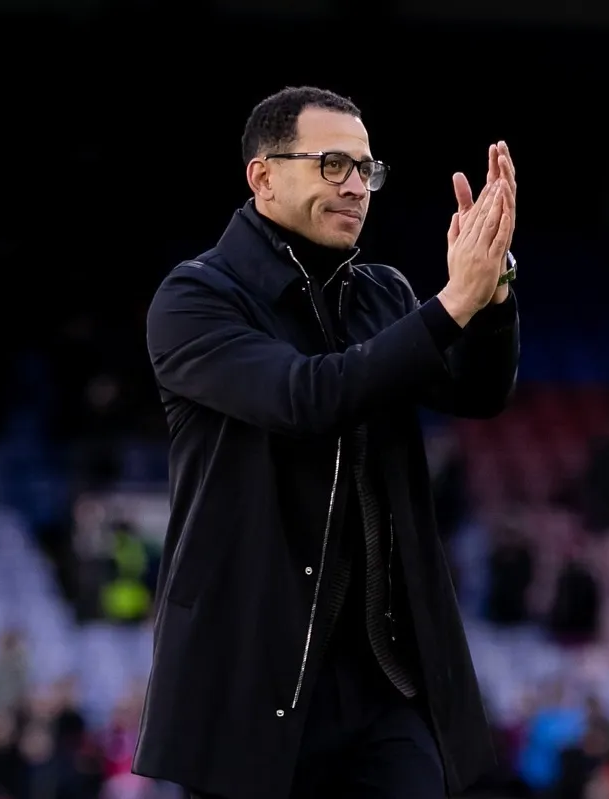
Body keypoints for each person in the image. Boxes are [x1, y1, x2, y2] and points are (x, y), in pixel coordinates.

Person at [133, 85, 520, 799]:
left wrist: (491, 296)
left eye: (366, 169)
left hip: (383, 681)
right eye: (332, 164)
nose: (355, 187)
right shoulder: (195, 298)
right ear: (263, 176)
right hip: (251, 680)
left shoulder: (381, 292)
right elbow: (306, 398)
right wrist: (451, 304)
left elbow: (477, 394)